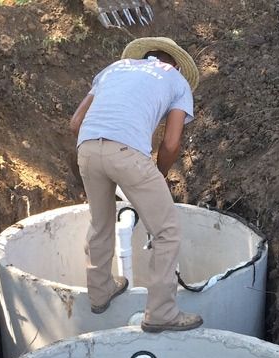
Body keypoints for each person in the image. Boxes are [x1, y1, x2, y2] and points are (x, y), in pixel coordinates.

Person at [69, 37, 203, 333]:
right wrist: (159, 175)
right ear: (176, 64)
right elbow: (170, 143)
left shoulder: (114, 68)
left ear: (146, 56)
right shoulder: (177, 81)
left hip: (88, 148)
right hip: (128, 154)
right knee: (167, 231)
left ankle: (100, 291)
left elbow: (76, 123)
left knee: (100, 222)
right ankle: (162, 313)